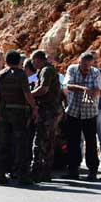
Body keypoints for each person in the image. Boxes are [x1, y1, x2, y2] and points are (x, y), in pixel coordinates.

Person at [0, 50, 38, 186]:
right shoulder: (21, 75)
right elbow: (27, 94)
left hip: (3, 114)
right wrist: (34, 107)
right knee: (21, 145)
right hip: (20, 114)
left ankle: (0, 175)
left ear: (6, 61)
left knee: (3, 144)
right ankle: (23, 176)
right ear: (19, 62)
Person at [63, 52, 101, 180]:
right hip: (73, 111)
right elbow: (67, 85)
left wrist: (94, 93)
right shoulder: (72, 69)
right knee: (72, 142)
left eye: (89, 66)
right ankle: (73, 169)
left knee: (91, 142)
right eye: (84, 66)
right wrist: (84, 89)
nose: (86, 69)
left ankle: (93, 170)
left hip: (90, 112)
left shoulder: (95, 72)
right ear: (79, 62)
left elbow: (97, 89)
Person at [30, 50, 63, 182]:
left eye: (33, 60)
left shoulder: (46, 71)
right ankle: (45, 171)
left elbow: (44, 89)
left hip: (48, 110)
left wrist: (28, 95)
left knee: (41, 140)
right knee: (48, 141)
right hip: (51, 110)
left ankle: (38, 171)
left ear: (38, 59)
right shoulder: (45, 70)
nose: (33, 63)